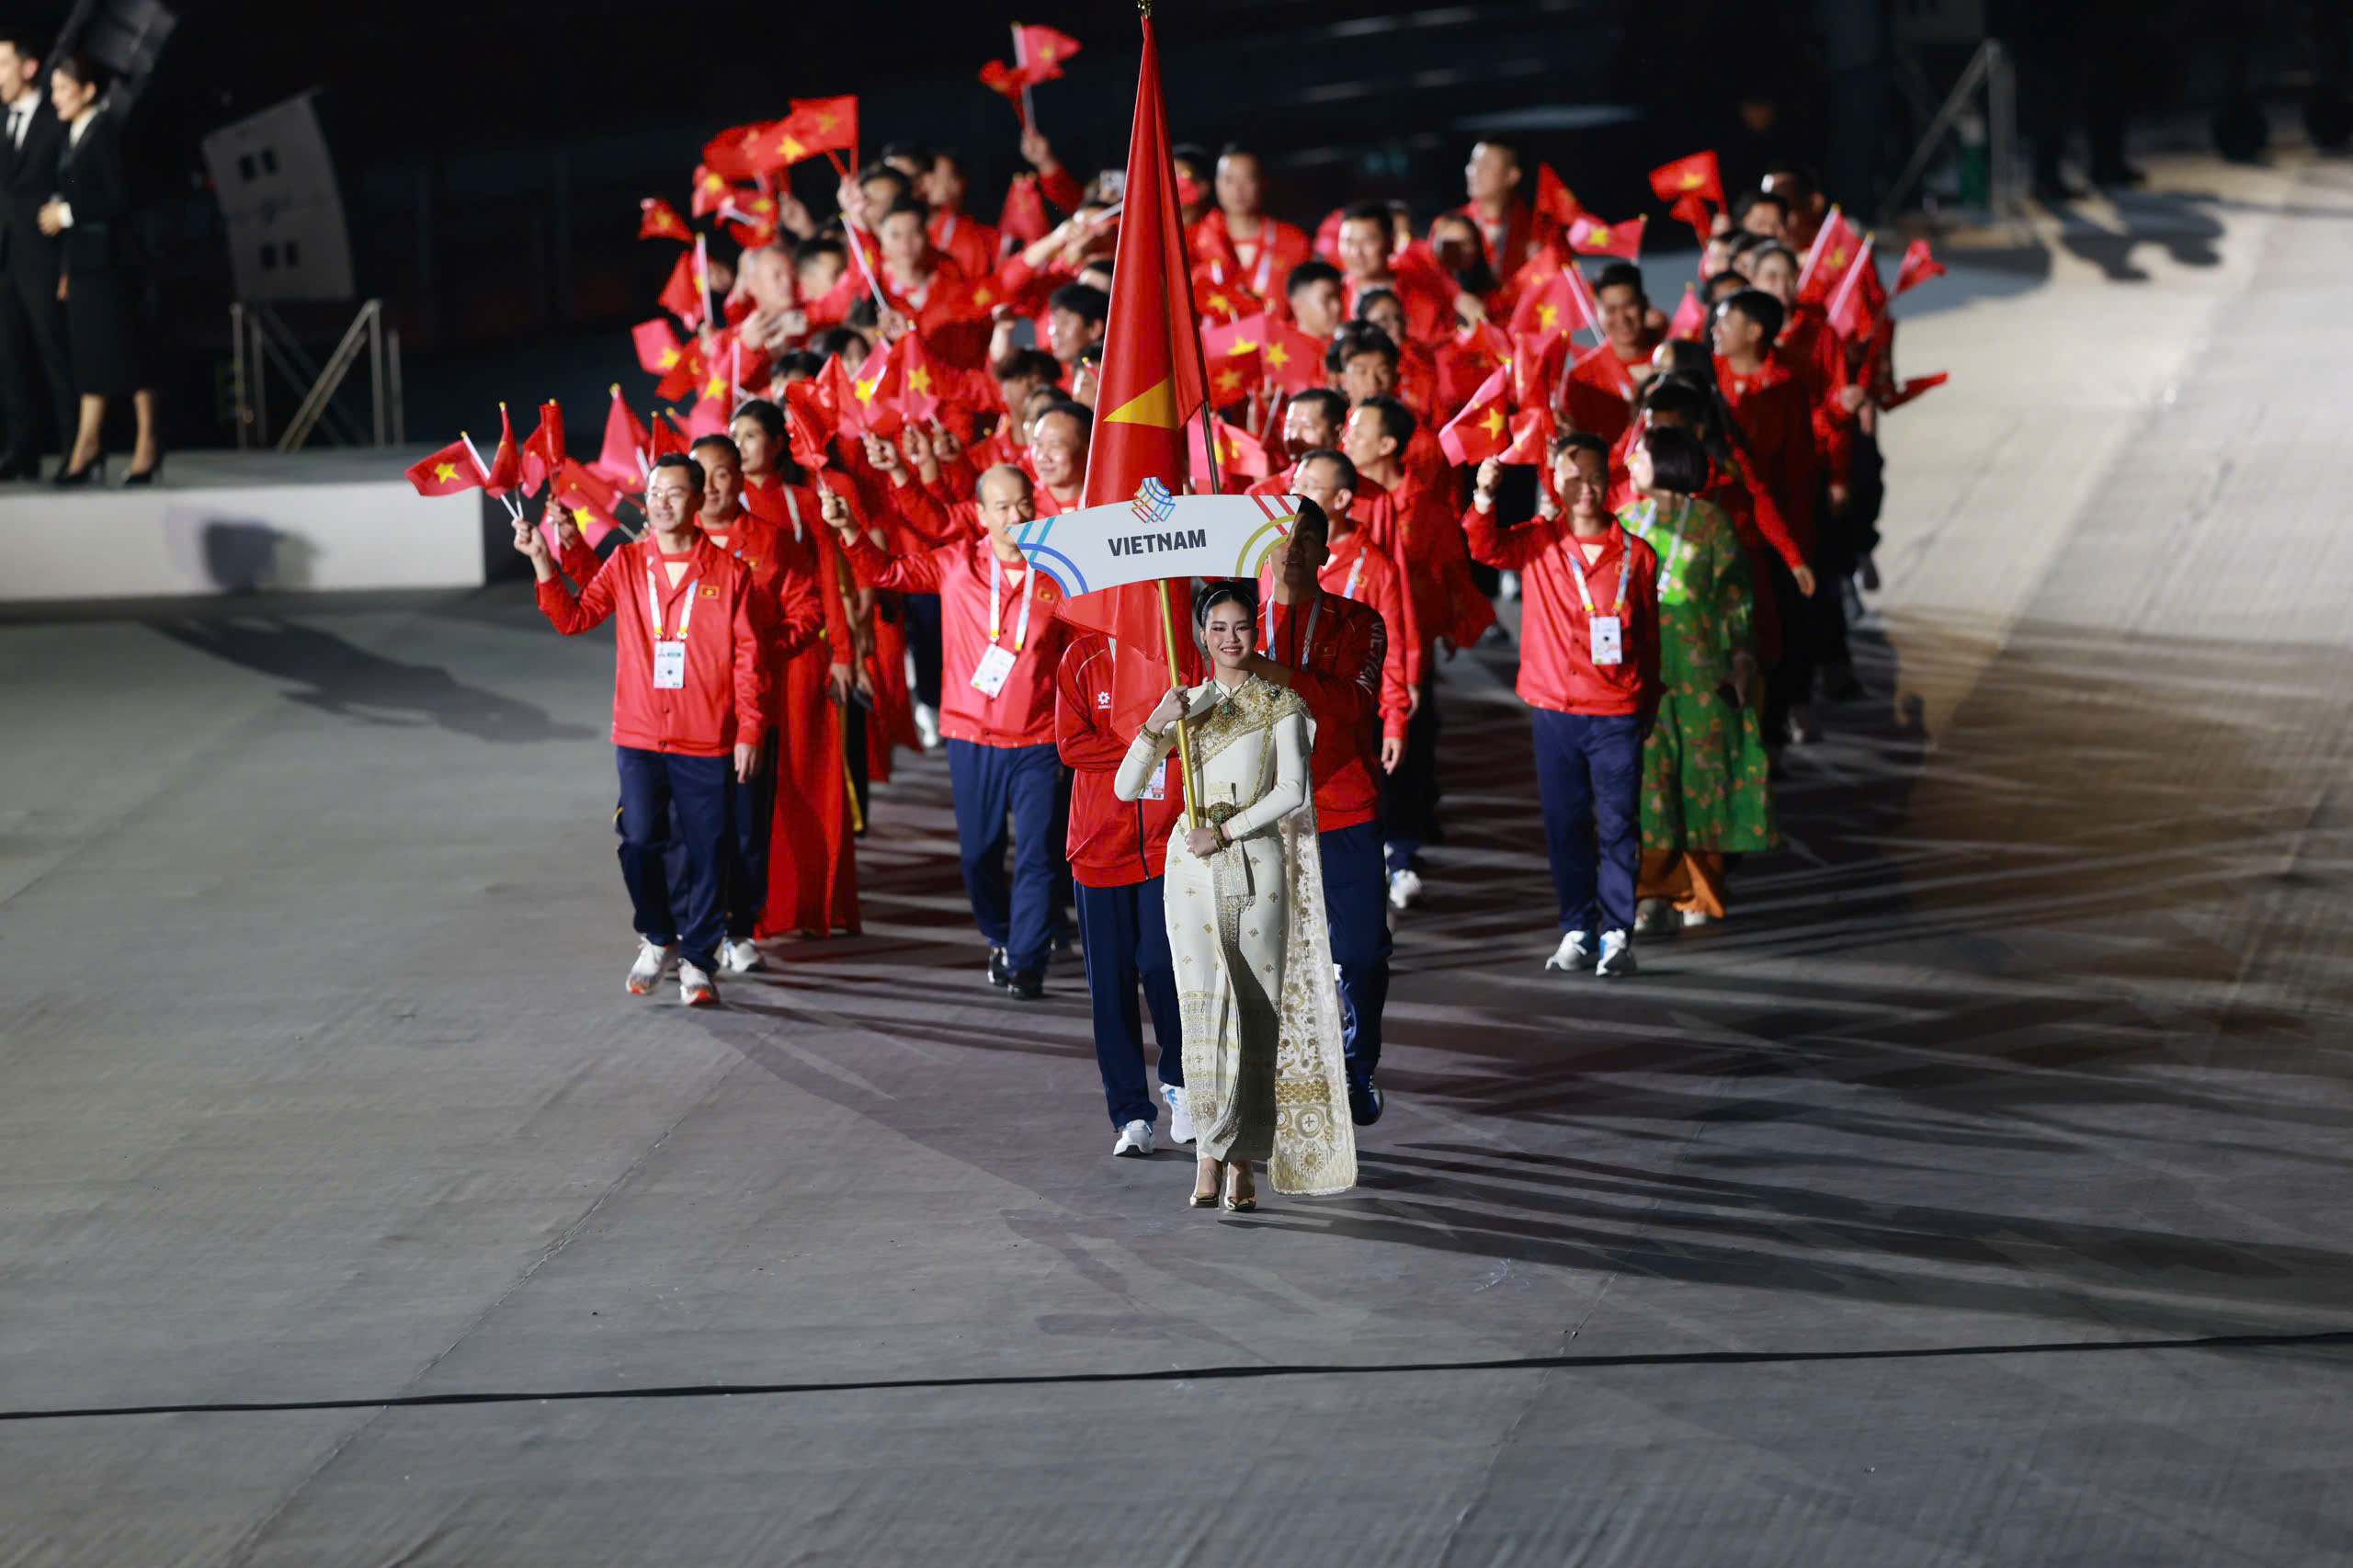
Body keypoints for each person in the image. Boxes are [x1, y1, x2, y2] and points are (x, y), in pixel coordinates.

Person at [1118, 581, 1355, 1210]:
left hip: (1254, 862)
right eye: (1217, 627)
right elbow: (1125, 787)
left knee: (1255, 1011)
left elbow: (1292, 793)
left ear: (1257, 632)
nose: (1230, 638)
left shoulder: (1282, 703)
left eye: (1241, 627)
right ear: (1200, 635)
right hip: (1189, 871)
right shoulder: (1184, 704)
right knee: (1202, 1010)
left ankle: (1245, 1158)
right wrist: (1157, 725)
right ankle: (1206, 1154)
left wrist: (1223, 830)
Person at [517, 454, 770, 1006]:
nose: (661, 501)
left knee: (709, 851)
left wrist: (750, 729)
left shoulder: (730, 574)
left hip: (708, 738)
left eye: (674, 492)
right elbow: (574, 617)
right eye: (654, 492)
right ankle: (659, 936)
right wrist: (542, 561)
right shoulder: (628, 564)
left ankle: (699, 960)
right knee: (637, 843)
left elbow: (751, 659)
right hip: (638, 735)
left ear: (698, 501)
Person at [829, 463, 1071, 998]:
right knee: (979, 853)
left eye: (1024, 504)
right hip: (971, 736)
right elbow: (887, 573)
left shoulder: (1061, 573)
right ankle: (1002, 936)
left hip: (1037, 738)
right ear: (980, 516)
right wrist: (850, 532)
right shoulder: (957, 563)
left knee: (1037, 854)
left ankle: (1028, 961)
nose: (1017, 516)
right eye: (1003, 507)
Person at [1464, 435, 1659, 978]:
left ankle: (1618, 931)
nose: (1585, 490)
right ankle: (1578, 927)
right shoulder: (1539, 542)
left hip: (1618, 710)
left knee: (1619, 823)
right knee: (1565, 824)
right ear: (1554, 482)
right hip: (1555, 710)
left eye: (1595, 477)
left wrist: (1648, 698)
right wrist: (1484, 494)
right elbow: (1483, 547)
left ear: (1611, 481)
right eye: (1572, 479)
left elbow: (1647, 636)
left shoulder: (1639, 555)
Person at [1255, 495, 1399, 1126]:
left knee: (1362, 953)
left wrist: (1275, 674)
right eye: (1280, 537)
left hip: (1342, 807)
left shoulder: (1358, 622)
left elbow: (1355, 704)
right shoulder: (1236, 624)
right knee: (1266, 961)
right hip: (1259, 817)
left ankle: (1358, 1062)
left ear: (1325, 549)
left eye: (1306, 538)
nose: (1292, 550)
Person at [1618, 425, 1774, 930]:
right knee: (1651, 782)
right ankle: (1654, 894)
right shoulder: (1625, 521)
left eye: (1639, 456)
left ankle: (1701, 891)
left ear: (1668, 463)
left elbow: (1736, 599)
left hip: (1704, 676)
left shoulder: (1712, 525)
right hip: (1646, 677)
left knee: (1701, 779)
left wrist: (1743, 659)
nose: (1630, 464)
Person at [731, 400, 863, 938]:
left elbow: (832, 580)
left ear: (778, 443)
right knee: (758, 784)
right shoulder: (722, 507)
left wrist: (844, 655)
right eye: (734, 435)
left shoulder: (806, 502)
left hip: (802, 658)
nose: (740, 446)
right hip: (742, 663)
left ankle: (815, 903)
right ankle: (756, 909)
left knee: (809, 779)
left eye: (751, 435)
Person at [1057, 631, 1188, 1158]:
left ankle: (1182, 1084)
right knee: (1110, 987)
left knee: (1165, 967)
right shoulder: (1081, 658)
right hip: (1098, 845)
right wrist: (1151, 735)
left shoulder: (1177, 651)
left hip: (1168, 844)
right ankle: (1131, 1113)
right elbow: (1072, 745)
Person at [38, 54, 159, 486]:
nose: (55, 99)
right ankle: (86, 447)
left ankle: (147, 442)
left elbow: (117, 198)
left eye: (64, 90)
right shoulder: (72, 135)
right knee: (91, 359)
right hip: (85, 263)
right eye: (53, 90)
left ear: (89, 91)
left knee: (126, 355)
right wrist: (67, 267)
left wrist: (67, 213)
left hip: (112, 263)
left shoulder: (106, 132)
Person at [0, 31, 74, 482]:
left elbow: (72, 181)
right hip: (3, 257)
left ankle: (75, 449)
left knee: (53, 351)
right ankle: (19, 450)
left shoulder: (55, 119)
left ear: (28, 68)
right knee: (7, 357)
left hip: (42, 253)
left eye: (3, 64)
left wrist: (65, 252)